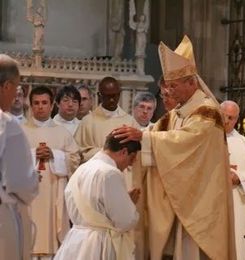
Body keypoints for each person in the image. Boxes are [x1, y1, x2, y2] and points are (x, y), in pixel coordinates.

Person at [113, 36, 236, 260]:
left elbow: (187, 142)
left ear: (192, 83)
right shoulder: (178, 112)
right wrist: (136, 139)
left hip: (200, 202)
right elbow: (155, 135)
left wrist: (144, 137)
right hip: (182, 201)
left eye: (174, 85)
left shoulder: (207, 111)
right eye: (167, 86)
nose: (170, 91)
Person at [54, 134, 141, 260]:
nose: (130, 164)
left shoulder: (82, 169)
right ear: (124, 152)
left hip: (75, 241)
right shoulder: (110, 173)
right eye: (132, 158)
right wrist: (130, 204)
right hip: (99, 245)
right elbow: (125, 221)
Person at [22, 86, 80, 259]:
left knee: (52, 240)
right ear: (30, 105)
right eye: (36, 103)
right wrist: (33, 155)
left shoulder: (62, 133)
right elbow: (8, 161)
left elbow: (75, 160)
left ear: (52, 104)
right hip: (28, 196)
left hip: (54, 192)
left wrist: (55, 155)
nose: (40, 107)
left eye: (44, 103)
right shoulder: (20, 131)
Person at [0, 54, 38, 260]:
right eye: (15, 88)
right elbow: (20, 182)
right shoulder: (7, 124)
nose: (15, 94)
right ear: (6, 86)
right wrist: (33, 183)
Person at [74, 76, 139, 188]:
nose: (112, 100)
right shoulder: (88, 121)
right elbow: (77, 153)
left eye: (115, 96)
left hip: (123, 180)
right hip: (96, 179)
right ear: (100, 96)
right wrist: (108, 155)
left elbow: (137, 154)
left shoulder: (129, 122)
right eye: (108, 97)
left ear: (119, 94)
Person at [220, 100, 245, 260]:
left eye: (231, 118)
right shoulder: (203, 142)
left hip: (237, 202)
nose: (227, 121)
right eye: (224, 116)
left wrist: (239, 177)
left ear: (237, 120)